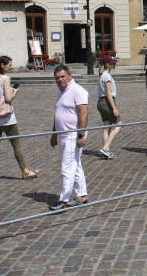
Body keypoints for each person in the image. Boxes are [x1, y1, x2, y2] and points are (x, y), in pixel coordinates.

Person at [0, 56, 39, 185]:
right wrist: (15, 91)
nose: (11, 67)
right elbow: (9, 98)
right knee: (17, 145)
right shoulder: (5, 79)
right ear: (2, 65)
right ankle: (25, 171)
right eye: (9, 65)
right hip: (7, 119)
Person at [49, 65, 88, 211]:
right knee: (75, 165)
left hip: (73, 134)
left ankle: (63, 199)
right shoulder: (61, 91)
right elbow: (58, 113)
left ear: (69, 76)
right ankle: (82, 196)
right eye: (57, 78)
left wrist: (81, 135)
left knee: (67, 167)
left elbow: (83, 113)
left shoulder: (77, 90)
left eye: (62, 76)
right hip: (63, 134)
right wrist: (54, 133)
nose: (59, 80)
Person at [96, 55, 121, 159]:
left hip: (101, 102)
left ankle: (106, 150)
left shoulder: (102, 75)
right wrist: (114, 108)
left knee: (106, 126)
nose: (114, 65)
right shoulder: (107, 77)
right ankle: (106, 148)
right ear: (107, 64)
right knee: (118, 123)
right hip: (106, 102)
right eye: (112, 63)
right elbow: (108, 93)